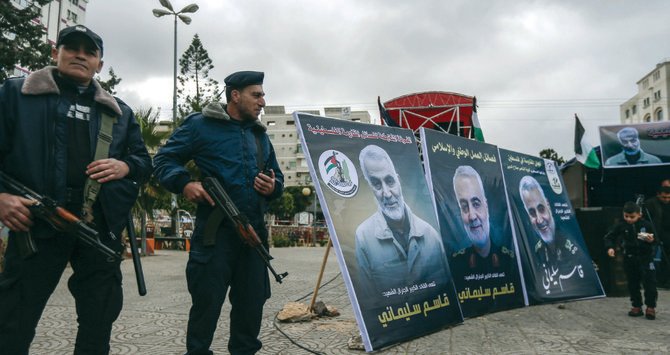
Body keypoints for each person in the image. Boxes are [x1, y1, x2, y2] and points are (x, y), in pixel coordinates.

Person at [0, 25, 151, 353]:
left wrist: (125, 166)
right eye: (71, 47)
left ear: (99, 63)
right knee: (13, 321)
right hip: (36, 224)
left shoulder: (118, 112)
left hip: (96, 227)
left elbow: (142, 162)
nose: (80, 55)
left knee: (99, 319)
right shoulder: (16, 94)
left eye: (89, 51)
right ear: (56, 53)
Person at [153, 70, 284, 354]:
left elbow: (279, 179)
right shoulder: (200, 126)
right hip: (214, 238)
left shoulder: (260, 136)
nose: (263, 101)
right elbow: (164, 160)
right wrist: (185, 183)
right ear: (235, 95)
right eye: (257, 95)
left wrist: (272, 187)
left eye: (263, 95)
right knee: (206, 308)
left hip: (253, 237)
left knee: (251, 310)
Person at [354, 144, 449, 297]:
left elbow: (444, 290)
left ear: (398, 181)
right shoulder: (363, 237)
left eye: (390, 181)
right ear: (370, 188)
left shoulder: (431, 235)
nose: (387, 193)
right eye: (377, 184)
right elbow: (369, 299)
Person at [519, 175, 591, 294]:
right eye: (532, 213)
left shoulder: (571, 243)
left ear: (548, 205)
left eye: (541, 209)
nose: (539, 220)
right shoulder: (537, 250)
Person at [450, 166, 515, 276]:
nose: (472, 216)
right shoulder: (455, 266)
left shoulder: (511, 261)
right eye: (464, 206)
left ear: (486, 207)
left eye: (476, 204)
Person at [604, 201, 658, 320]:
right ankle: (636, 306)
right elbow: (609, 237)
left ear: (639, 214)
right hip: (629, 257)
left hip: (646, 258)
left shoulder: (647, 225)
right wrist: (610, 248)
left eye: (632, 217)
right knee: (633, 283)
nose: (629, 219)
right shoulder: (621, 225)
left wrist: (651, 240)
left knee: (650, 283)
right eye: (626, 216)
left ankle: (650, 307)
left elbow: (656, 240)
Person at [644, 180, 670, 287]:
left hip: (668, 232)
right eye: (664, 197)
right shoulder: (650, 203)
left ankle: (665, 280)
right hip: (656, 231)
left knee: (667, 256)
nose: (667, 200)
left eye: (669, 197)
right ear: (658, 194)